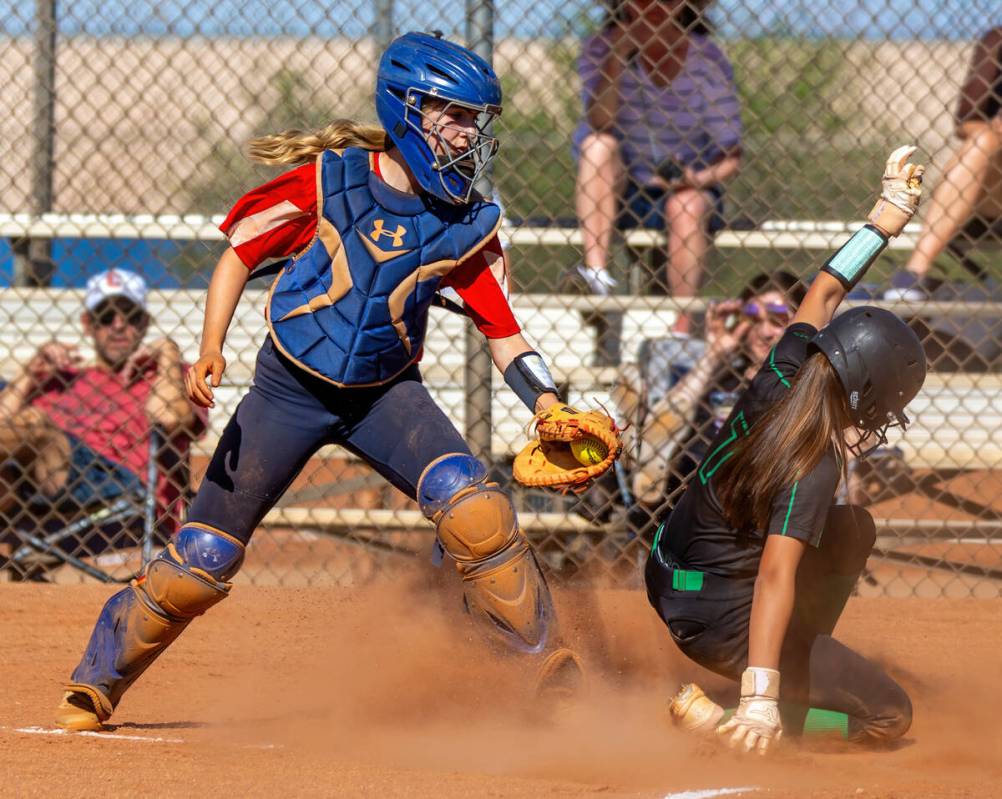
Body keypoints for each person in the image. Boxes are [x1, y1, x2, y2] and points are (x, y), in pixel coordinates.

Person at [55, 32, 583, 732]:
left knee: (474, 506)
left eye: (476, 122)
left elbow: (504, 329)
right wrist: (210, 349)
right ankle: (99, 679)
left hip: (386, 396)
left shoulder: (466, 224)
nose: (469, 136)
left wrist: (547, 403)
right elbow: (239, 253)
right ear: (409, 111)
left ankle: (541, 669)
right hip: (287, 392)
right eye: (455, 116)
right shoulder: (330, 180)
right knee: (202, 559)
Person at [647, 146, 926, 753]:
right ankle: (747, 710)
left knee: (852, 527)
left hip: (671, 569)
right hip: (716, 619)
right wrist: (759, 698)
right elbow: (775, 573)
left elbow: (824, 290)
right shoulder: (814, 461)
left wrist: (886, 217)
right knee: (889, 717)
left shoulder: (785, 367)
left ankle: (782, 670)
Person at [0, 269, 203, 577]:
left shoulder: (166, 375)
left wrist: (167, 352)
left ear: (144, 323)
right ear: (88, 324)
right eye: (106, 316)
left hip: (116, 484)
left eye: (131, 316)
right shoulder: (62, 378)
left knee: (34, 423)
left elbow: (171, 417)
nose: (118, 326)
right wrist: (30, 372)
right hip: (37, 487)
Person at [570, 0, 742, 333]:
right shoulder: (601, 48)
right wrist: (620, 54)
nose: (655, 6)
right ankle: (596, 276)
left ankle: (681, 326)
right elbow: (600, 119)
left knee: (687, 205)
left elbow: (731, 152)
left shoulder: (706, 58)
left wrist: (696, 178)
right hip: (622, 187)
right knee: (597, 145)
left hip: (688, 185)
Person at [612, 271, 805, 531]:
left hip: (766, 490)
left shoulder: (806, 383)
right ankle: (647, 464)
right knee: (671, 447)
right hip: (698, 487)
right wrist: (714, 353)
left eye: (777, 319)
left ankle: (640, 448)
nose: (763, 332)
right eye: (753, 319)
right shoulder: (723, 378)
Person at [888, 26, 1001, 299]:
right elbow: (966, 122)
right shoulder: (998, 41)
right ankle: (915, 273)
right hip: (992, 193)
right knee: (983, 140)